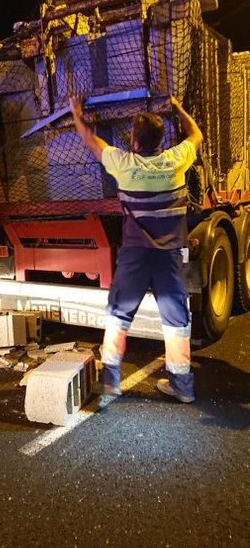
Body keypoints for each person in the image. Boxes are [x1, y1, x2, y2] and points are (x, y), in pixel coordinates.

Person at [69, 95, 203, 403]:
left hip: (135, 255)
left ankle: (111, 382)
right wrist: (180, 107)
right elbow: (196, 135)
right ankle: (183, 387)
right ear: (162, 140)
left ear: (134, 140)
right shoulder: (176, 160)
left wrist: (77, 113)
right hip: (169, 257)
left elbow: (91, 141)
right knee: (176, 320)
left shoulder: (124, 164)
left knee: (118, 314)